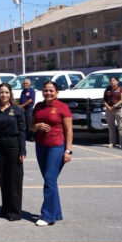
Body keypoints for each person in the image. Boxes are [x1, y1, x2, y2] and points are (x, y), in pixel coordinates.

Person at [31, 81, 73, 226]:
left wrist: (68, 150)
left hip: (56, 147)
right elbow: (31, 126)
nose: (48, 93)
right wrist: (37, 126)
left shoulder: (63, 107)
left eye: (51, 90)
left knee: (49, 179)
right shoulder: (38, 106)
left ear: (56, 92)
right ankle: (57, 212)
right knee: (51, 180)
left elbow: (69, 131)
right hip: (41, 146)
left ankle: (48, 216)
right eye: (45, 90)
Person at [0, 82, 27, 221]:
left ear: (10, 94)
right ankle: (5, 208)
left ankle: (15, 211)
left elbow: (23, 130)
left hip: (14, 146)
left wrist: (22, 149)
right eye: (1, 92)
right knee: (3, 178)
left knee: (14, 180)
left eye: (6, 92)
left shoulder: (17, 110)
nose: (4, 95)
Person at [103, 76, 122, 149]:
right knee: (111, 127)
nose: (112, 82)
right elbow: (104, 100)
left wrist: (115, 106)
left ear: (117, 82)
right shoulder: (107, 89)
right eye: (111, 80)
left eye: (114, 80)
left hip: (119, 109)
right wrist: (108, 107)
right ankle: (112, 142)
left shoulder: (121, 89)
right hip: (109, 110)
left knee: (121, 127)